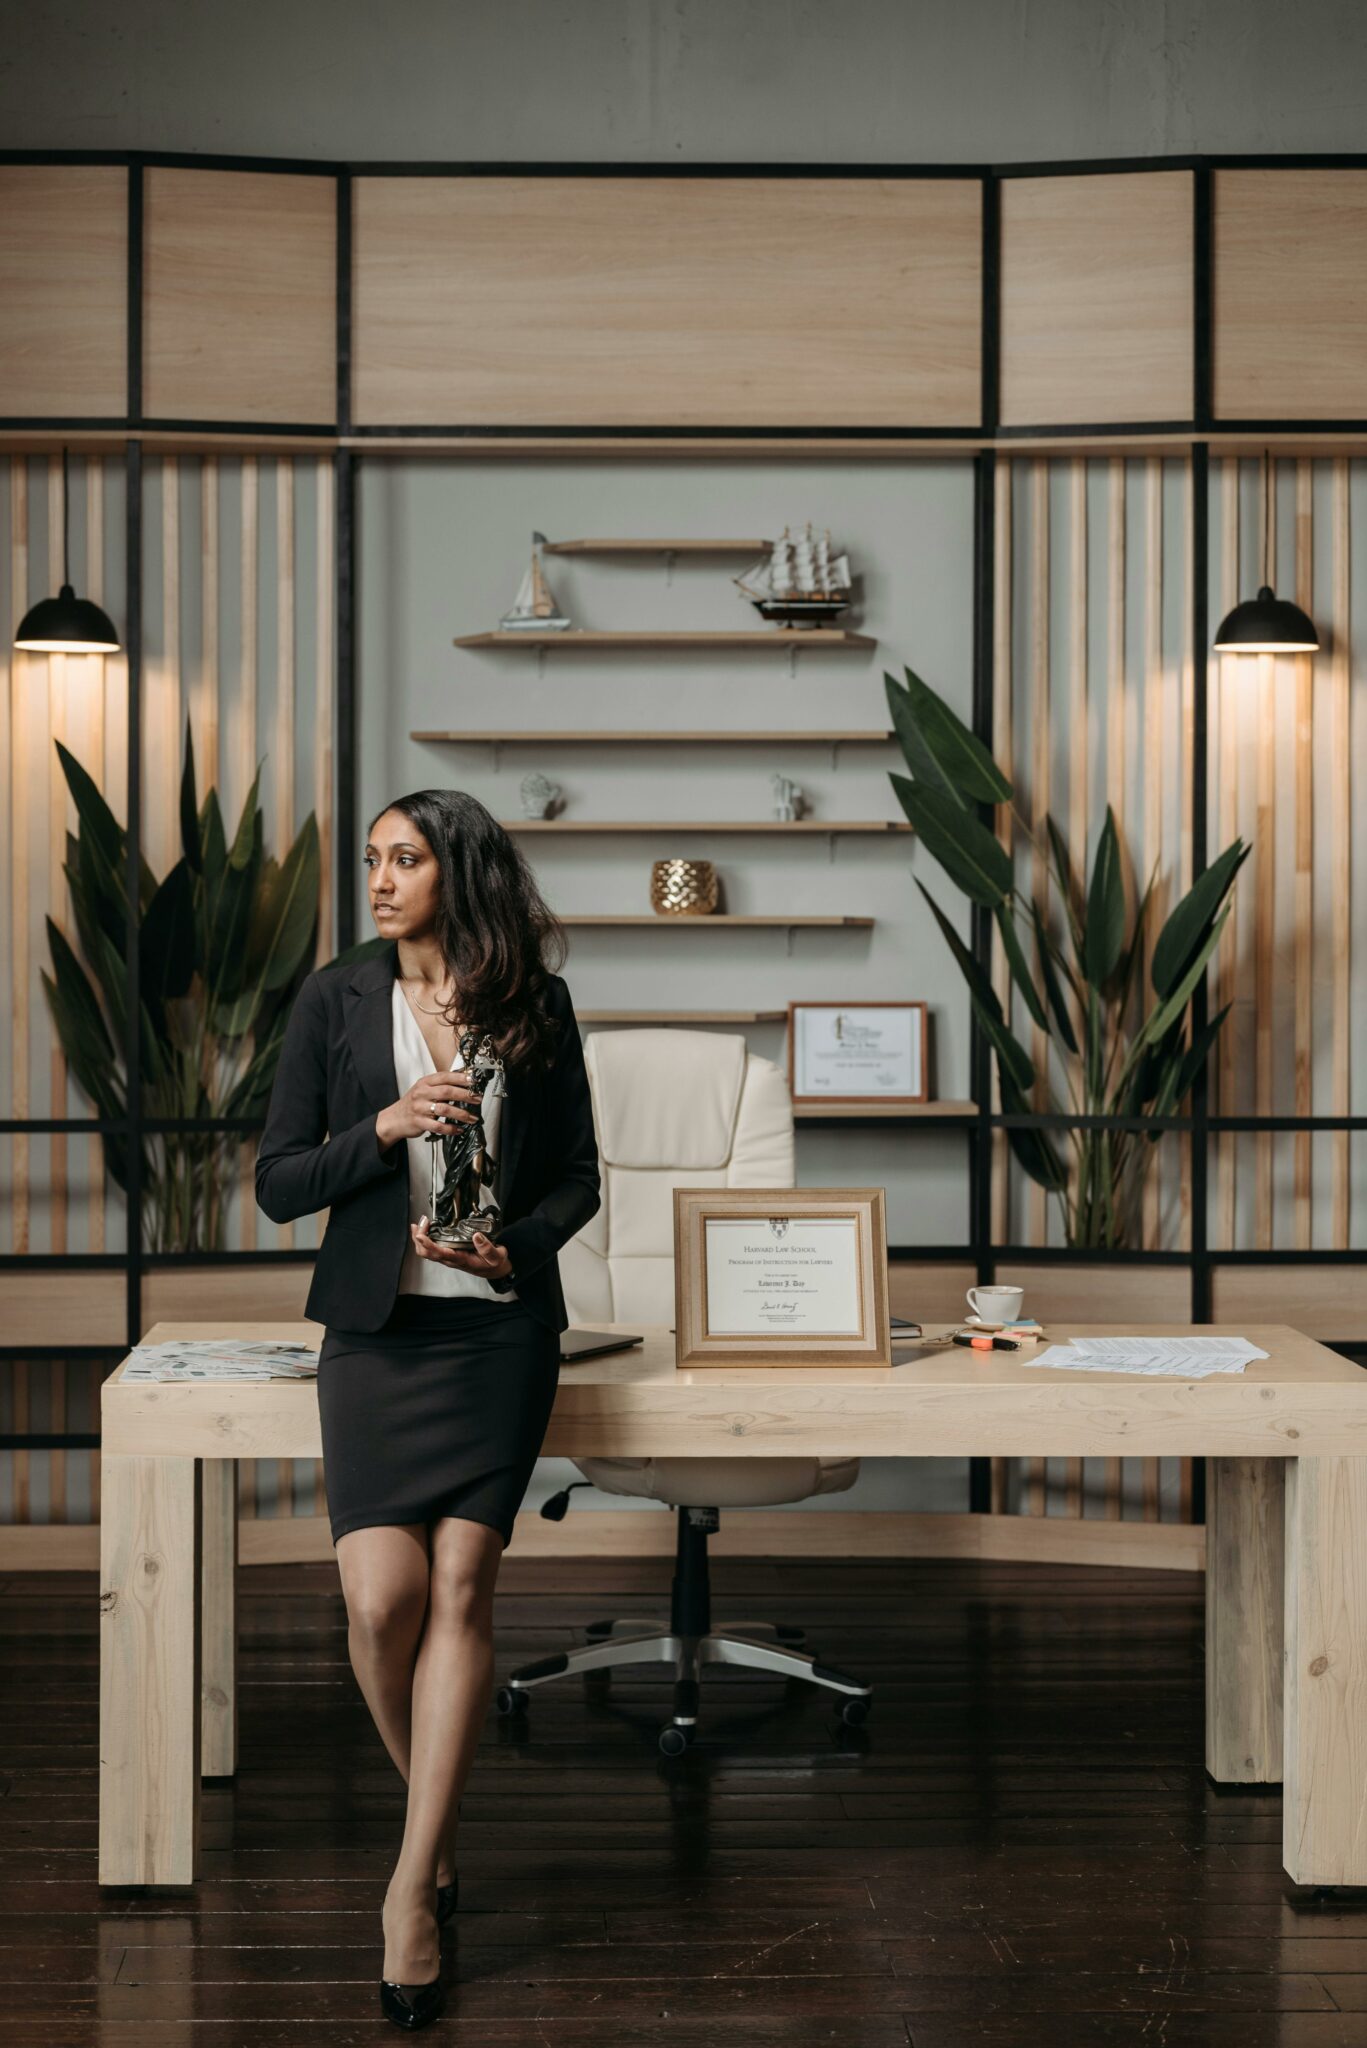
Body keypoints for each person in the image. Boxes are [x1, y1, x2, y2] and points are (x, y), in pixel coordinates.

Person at [255, 789, 600, 2029]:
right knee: (376, 1598)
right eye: (372, 858)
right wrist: (386, 1124)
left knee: (458, 1588)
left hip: (497, 1334)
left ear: (459, 869)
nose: (381, 877)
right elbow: (276, 1181)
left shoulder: (534, 1003)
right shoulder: (333, 1001)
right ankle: (433, 1814)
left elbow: (577, 1176)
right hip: (375, 1335)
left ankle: (412, 1888)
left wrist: (516, 1243)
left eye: (404, 857)